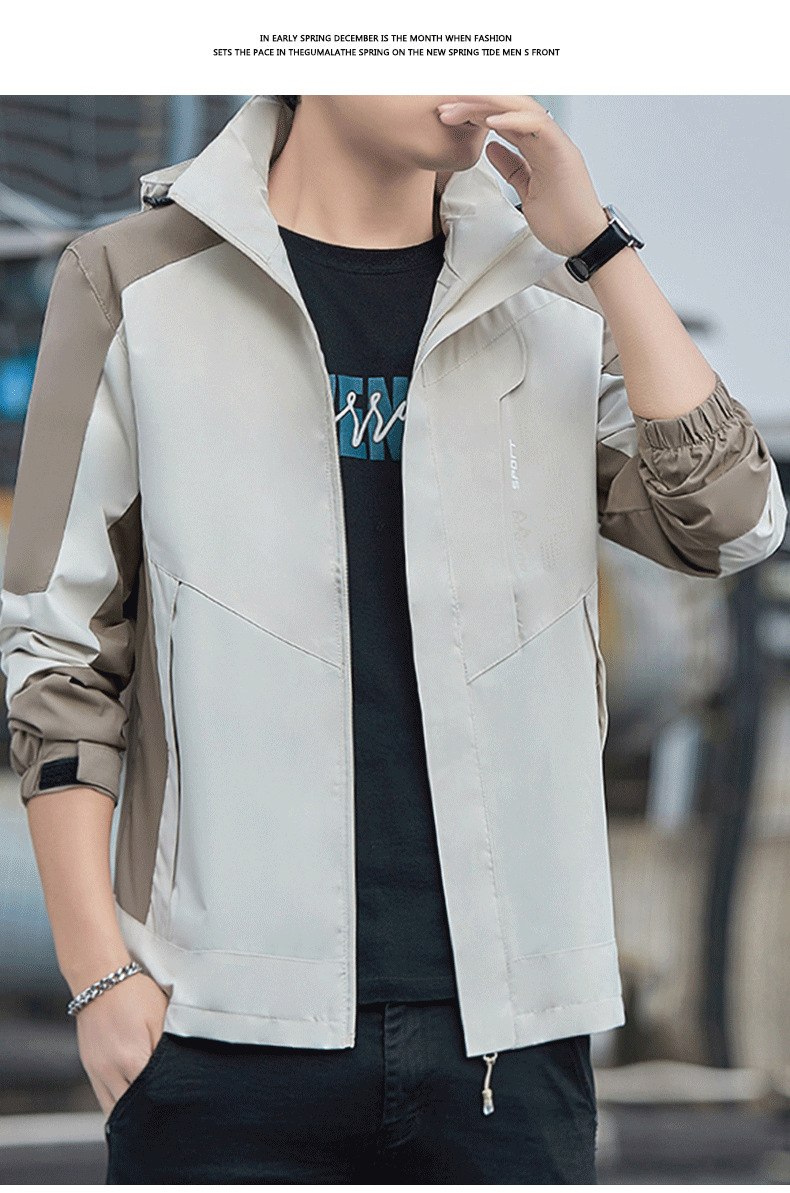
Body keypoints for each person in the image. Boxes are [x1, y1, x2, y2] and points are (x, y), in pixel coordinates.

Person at [0, 93, 785, 1184]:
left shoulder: (552, 295)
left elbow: (735, 524)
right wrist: (99, 977)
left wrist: (600, 246)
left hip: (508, 1045)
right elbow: (58, 657)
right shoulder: (127, 282)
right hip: (216, 1027)